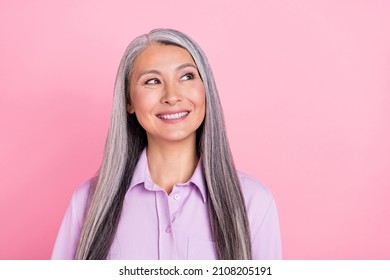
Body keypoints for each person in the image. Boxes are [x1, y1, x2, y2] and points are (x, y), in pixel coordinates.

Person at [51, 28, 282, 260]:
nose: (172, 96)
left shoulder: (253, 201)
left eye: (187, 77)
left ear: (205, 90)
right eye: (152, 81)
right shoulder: (87, 203)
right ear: (129, 101)